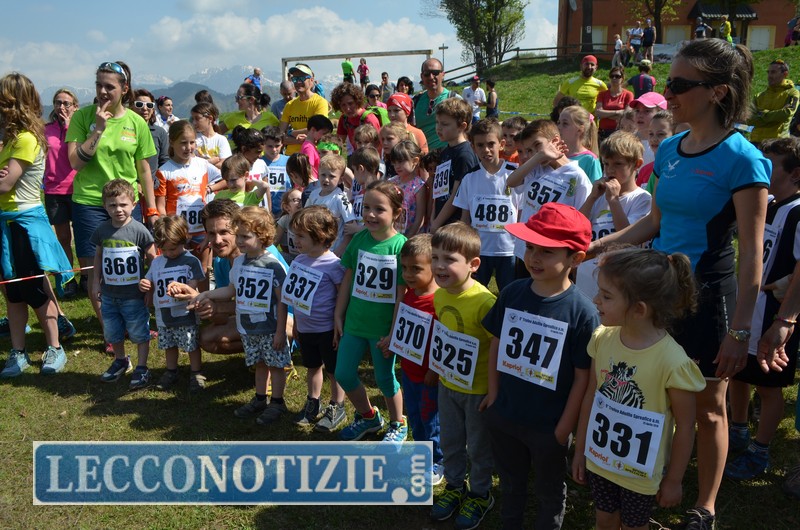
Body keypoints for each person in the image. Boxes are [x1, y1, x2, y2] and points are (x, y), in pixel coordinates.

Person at [589, 39, 770, 530]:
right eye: (668, 82)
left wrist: (741, 331)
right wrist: (599, 246)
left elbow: (752, 254)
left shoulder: (743, 159)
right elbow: (655, 222)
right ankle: (647, 482)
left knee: (709, 407)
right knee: (652, 393)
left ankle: (704, 507)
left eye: (680, 85)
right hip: (660, 295)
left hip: (710, 299)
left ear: (717, 92)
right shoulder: (669, 147)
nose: (668, 93)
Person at [482, 203, 598, 530]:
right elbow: (496, 343)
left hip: (549, 427)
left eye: (547, 251)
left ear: (576, 259)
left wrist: (564, 427)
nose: (533, 257)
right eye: (531, 247)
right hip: (505, 415)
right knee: (510, 483)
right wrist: (494, 395)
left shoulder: (583, 313)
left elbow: (583, 377)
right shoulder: (512, 293)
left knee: (549, 491)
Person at [573, 248, 706, 530]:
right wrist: (581, 448)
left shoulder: (672, 362)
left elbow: (685, 425)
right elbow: (592, 397)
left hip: (640, 473)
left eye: (606, 296)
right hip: (600, 461)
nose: (596, 300)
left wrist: (674, 480)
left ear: (639, 309)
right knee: (604, 520)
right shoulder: (602, 338)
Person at [725, 137, 800, 481]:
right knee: (737, 371)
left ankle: (760, 449)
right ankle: (738, 429)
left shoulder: (797, 213)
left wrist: (786, 317)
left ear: (795, 174)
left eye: (770, 164)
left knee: (769, 385)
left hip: (775, 314)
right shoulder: (764, 201)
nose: (762, 169)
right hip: (746, 306)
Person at [66, 61, 158, 336]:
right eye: (99, 85)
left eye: (109, 86)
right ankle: (110, 331)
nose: (103, 91)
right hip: (89, 203)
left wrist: (152, 209)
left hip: (126, 205)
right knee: (94, 269)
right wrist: (98, 129)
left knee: (131, 266)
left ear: (124, 89)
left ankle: (135, 321)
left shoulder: (136, 122)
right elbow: (75, 162)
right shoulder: (82, 117)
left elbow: (144, 170)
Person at [188, 207, 290, 425]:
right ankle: (260, 398)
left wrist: (280, 330)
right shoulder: (240, 262)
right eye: (239, 235)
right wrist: (205, 294)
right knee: (259, 364)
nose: (240, 241)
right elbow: (231, 290)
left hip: (270, 327)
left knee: (275, 366)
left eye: (245, 236)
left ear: (262, 236)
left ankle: (277, 402)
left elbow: (283, 300)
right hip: (249, 328)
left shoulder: (272, 264)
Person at [0, 72, 72, 378]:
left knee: (32, 289)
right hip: (7, 223)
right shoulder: (12, 139)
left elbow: (5, 185)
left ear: (13, 103)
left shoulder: (27, 140)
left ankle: (55, 347)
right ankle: (18, 352)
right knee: (13, 291)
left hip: (24, 223)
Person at [428, 222, 496, 529]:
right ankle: (455, 486)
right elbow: (443, 338)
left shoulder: (485, 302)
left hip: (477, 391)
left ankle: (480, 494)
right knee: (451, 440)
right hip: (448, 385)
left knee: (478, 446)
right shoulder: (440, 296)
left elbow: (497, 348)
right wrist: (436, 369)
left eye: (449, 259)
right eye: (435, 258)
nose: (439, 266)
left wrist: (493, 390)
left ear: (473, 264)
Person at [333, 180, 407, 443]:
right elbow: (348, 279)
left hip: (382, 329)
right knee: (343, 374)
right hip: (355, 323)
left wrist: (394, 332)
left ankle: (398, 423)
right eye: (366, 208)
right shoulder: (359, 240)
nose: (371, 214)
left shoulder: (401, 246)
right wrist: (338, 314)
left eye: (379, 209)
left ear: (396, 213)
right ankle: (369, 417)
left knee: (385, 378)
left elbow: (401, 295)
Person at [283, 206, 347, 431]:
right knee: (312, 366)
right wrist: (296, 323)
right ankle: (313, 401)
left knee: (334, 370)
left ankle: (337, 405)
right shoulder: (298, 261)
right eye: (295, 235)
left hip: (328, 329)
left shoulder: (334, 264)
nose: (295, 240)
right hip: (306, 328)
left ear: (320, 235)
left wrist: (340, 326)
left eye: (301, 236)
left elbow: (342, 296)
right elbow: (296, 297)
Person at [388, 234, 444, 483]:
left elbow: (444, 342)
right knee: (415, 415)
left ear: (435, 267)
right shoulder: (409, 295)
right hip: (409, 371)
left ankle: (437, 460)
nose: (408, 274)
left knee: (431, 419)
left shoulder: (440, 302)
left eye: (416, 269)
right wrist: (393, 344)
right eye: (404, 268)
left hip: (429, 376)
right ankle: (422, 454)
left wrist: (435, 369)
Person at [506, 120, 592, 279]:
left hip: (552, 254)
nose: (532, 153)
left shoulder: (577, 176)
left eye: (537, 145)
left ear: (555, 141)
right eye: (529, 150)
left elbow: (582, 218)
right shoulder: (535, 168)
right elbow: (510, 182)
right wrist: (539, 155)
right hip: (526, 248)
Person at [92, 179, 157, 389]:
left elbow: (153, 258)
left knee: (139, 332)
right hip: (109, 295)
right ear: (104, 206)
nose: (118, 209)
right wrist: (96, 283)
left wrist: (150, 284)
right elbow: (98, 257)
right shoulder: (102, 230)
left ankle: (142, 367)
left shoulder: (139, 230)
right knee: (112, 332)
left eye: (123, 204)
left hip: (134, 296)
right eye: (112, 205)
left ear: (133, 204)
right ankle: (120, 360)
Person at [577, 131, 652, 300]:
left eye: (618, 164)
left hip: (619, 280)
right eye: (606, 163)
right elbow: (577, 226)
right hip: (586, 275)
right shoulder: (598, 194)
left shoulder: (642, 199)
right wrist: (591, 198)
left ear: (637, 164)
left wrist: (613, 201)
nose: (610, 170)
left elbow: (628, 238)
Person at [139, 215, 206, 392]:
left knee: (191, 344)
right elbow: (149, 280)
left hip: (185, 313)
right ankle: (171, 371)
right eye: (165, 249)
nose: (170, 253)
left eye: (173, 248)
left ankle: (196, 372)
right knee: (169, 344)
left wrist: (183, 290)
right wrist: (144, 284)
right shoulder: (157, 262)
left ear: (184, 239)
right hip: (164, 315)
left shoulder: (191, 261)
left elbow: (193, 286)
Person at [454, 118, 519, 292]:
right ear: (473, 147)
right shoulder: (469, 178)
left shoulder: (515, 174)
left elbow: (520, 213)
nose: (486, 150)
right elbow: (465, 218)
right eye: (480, 145)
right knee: (475, 293)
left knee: (509, 295)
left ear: (501, 144)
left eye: (491, 144)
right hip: (480, 250)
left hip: (509, 250)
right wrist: (465, 247)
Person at [44, 89, 80, 298]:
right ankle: (68, 279)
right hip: (54, 190)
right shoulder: (46, 129)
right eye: (58, 102)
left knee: (83, 237)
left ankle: (87, 277)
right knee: (63, 238)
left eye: (67, 103)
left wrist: (68, 126)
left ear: (75, 106)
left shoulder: (80, 128)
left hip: (77, 188)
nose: (62, 107)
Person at [430, 99, 480, 231]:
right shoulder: (445, 151)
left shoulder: (464, 155)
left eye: (445, 124)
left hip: (454, 225)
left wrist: (436, 223)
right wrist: (433, 218)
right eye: (437, 122)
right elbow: (439, 190)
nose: (438, 128)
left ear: (462, 126)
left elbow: (457, 195)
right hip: (439, 221)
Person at [305, 154, 357, 255]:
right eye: (323, 175)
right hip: (314, 249)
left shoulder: (341, 198)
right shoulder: (313, 194)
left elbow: (350, 226)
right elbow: (305, 217)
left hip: (334, 251)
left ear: (341, 179)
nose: (326, 179)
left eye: (332, 176)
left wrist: (341, 249)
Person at [280, 64, 329, 156]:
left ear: (311, 80)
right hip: (291, 156)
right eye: (295, 79)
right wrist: (302, 140)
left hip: (311, 154)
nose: (298, 82)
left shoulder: (320, 102)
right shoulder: (289, 105)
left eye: (302, 78)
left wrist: (291, 133)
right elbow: (281, 136)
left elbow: (319, 130)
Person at [747, 59, 800, 144]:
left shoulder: (792, 92)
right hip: (755, 142)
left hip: (777, 143)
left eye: (773, 72)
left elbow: (786, 114)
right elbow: (748, 118)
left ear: (785, 74)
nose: (769, 76)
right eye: (768, 72)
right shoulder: (759, 96)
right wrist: (774, 117)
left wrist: (761, 114)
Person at [415, 58, 459, 150]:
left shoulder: (454, 99)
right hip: (423, 155)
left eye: (435, 73)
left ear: (443, 75)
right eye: (427, 74)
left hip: (447, 154)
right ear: (422, 76)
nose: (431, 77)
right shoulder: (416, 101)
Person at [130, 89, 170, 190]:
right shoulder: (123, 131)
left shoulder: (160, 133)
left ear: (153, 110)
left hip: (153, 188)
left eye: (149, 105)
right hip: (128, 188)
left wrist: (155, 182)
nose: (145, 108)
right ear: (131, 107)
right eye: (139, 104)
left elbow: (164, 162)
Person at [219, 83, 278, 147]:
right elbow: (215, 133)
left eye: (239, 97)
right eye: (236, 97)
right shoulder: (234, 117)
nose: (236, 101)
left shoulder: (270, 118)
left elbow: (279, 137)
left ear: (251, 100)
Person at [388, 140, 427, 236]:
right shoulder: (392, 182)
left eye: (401, 162)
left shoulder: (419, 186)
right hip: (392, 234)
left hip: (410, 235)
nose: (397, 166)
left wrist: (408, 238)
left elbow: (419, 218)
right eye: (394, 162)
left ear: (415, 161)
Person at [332, 82, 382, 154]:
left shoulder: (369, 119)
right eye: (343, 105)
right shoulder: (344, 118)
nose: (347, 109)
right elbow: (338, 142)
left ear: (357, 101)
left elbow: (378, 147)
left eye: (350, 103)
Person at [558, 105, 602, 183]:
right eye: (559, 123)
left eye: (565, 123)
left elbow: (597, 188)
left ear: (579, 130)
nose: (559, 127)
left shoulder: (589, 160)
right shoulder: (555, 154)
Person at [595, 67, 635, 140]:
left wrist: (605, 115)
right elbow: (598, 112)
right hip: (604, 133)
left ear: (622, 78)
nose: (614, 78)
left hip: (621, 132)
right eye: (612, 76)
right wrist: (617, 112)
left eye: (617, 76)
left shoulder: (628, 94)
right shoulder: (602, 94)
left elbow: (626, 114)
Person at [630, 91, 668, 165]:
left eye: (647, 111)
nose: (640, 115)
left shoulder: (666, 143)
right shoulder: (628, 141)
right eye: (637, 110)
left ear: (661, 113)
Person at [191, 102, 230, 171]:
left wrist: (201, 164)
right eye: (193, 119)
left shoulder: (221, 139)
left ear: (210, 118)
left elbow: (225, 164)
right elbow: (191, 163)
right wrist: (210, 161)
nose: (194, 122)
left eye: (197, 119)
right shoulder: (193, 139)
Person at [262, 126, 291, 218]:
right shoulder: (258, 162)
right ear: (262, 145)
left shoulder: (289, 161)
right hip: (264, 210)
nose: (274, 149)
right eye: (270, 146)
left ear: (282, 144)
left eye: (277, 146)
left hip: (286, 210)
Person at [274, 189, 303, 265]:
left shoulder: (308, 220)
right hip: (292, 257)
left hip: (306, 258)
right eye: (296, 200)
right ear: (287, 207)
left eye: (302, 199)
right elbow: (274, 242)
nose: (300, 202)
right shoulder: (285, 219)